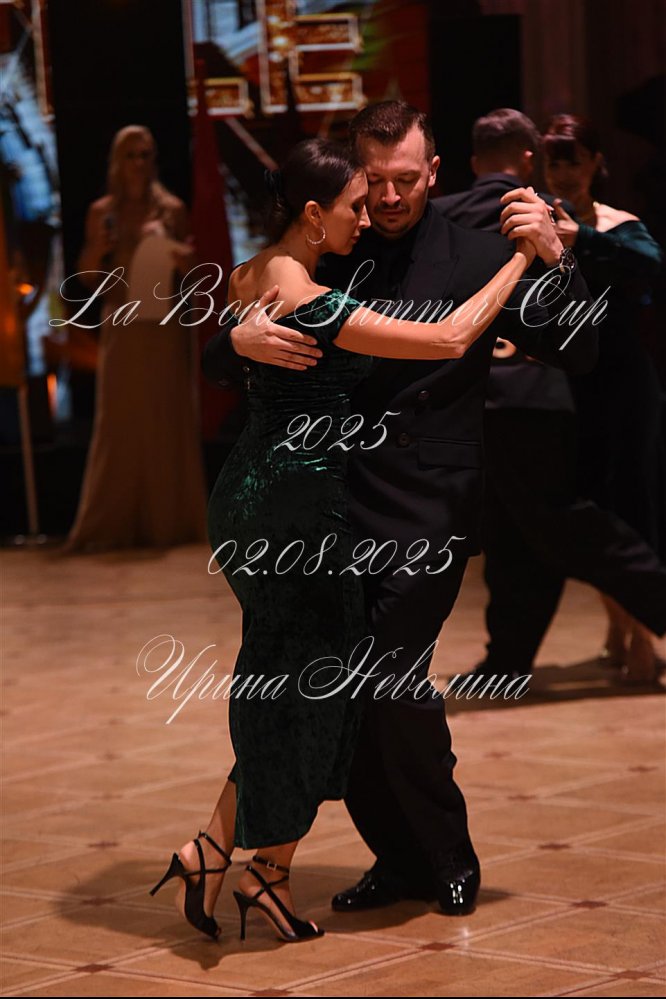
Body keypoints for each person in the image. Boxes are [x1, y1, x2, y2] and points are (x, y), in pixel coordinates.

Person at [201, 101, 598, 919]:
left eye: (406, 180)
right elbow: (238, 318)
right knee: (336, 684)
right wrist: (234, 340)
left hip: (424, 504)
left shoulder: (480, 248)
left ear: (435, 172)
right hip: (327, 507)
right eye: (374, 181)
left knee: (389, 677)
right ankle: (397, 855)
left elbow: (580, 347)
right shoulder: (333, 243)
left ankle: (446, 853)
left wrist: (558, 260)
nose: (386, 198)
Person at [432, 108, 666, 688]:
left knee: (561, 526)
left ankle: (525, 657)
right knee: (525, 532)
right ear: (531, 158)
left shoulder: (443, 217)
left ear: (472, 162)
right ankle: (507, 662)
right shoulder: (544, 213)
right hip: (546, 393)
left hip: (541, 396)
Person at [542, 113, 665, 680]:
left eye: (573, 161)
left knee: (633, 507)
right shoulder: (538, 223)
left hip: (626, 387)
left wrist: (583, 238)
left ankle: (642, 637)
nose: (564, 173)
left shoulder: (619, 224)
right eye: (555, 162)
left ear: (595, 163)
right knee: (592, 513)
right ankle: (617, 626)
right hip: (570, 387)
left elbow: (652, 264)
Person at [62, 124, 208, 552]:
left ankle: (169, 521)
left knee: (165, 417)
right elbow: (87, 276)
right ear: (117, 161)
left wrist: (183, 258)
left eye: (145, 155)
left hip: (164, 323)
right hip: (121, 324)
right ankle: (112, 522)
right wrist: (99, 247)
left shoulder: (172, 210)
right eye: (130, 155)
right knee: (120, 421)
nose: (138, 163)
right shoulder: (101, 212)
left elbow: (192, 273)